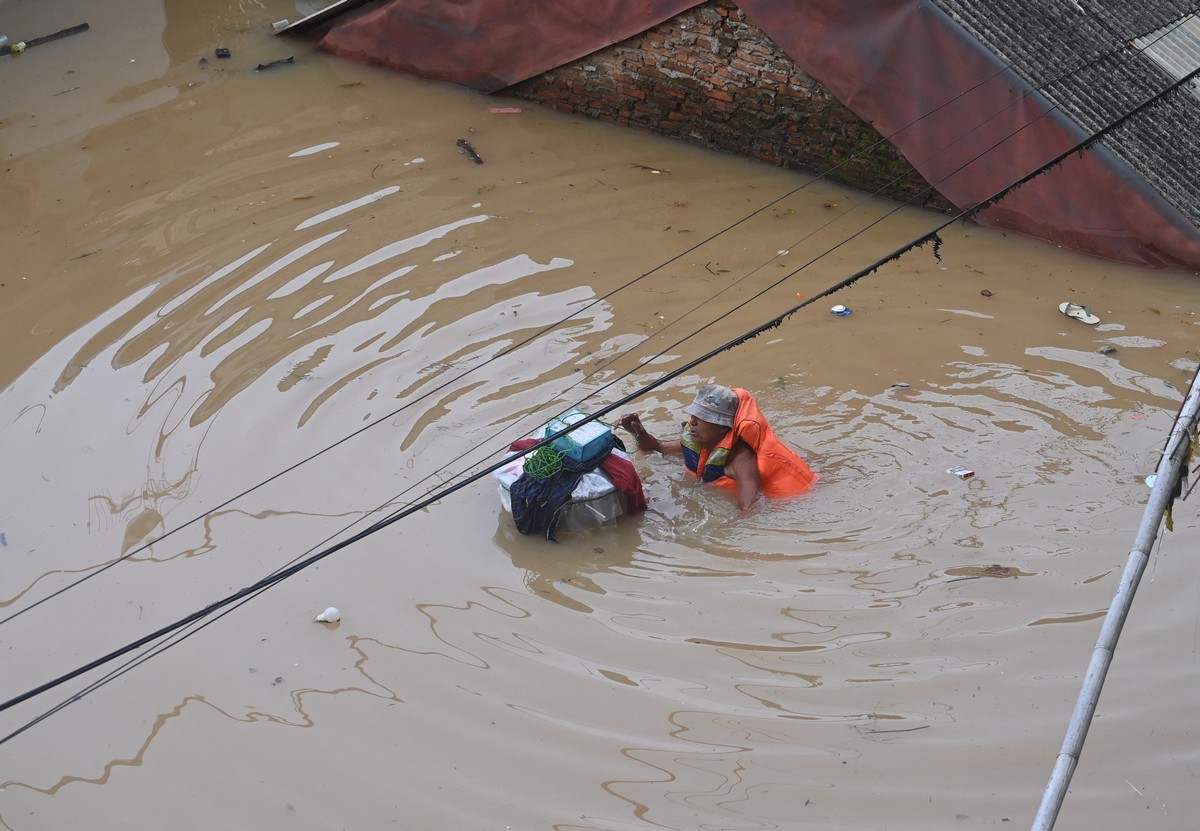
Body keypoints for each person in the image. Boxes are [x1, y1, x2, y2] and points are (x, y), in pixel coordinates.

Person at [615, 383, 816, 511]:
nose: (692, 422)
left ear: (722, 428)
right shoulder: (698, 441)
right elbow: (657, 447)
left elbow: (749, 508)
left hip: (799, 502)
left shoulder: (741, 460)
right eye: (693, 415)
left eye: (702, 419)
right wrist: (637, 430)